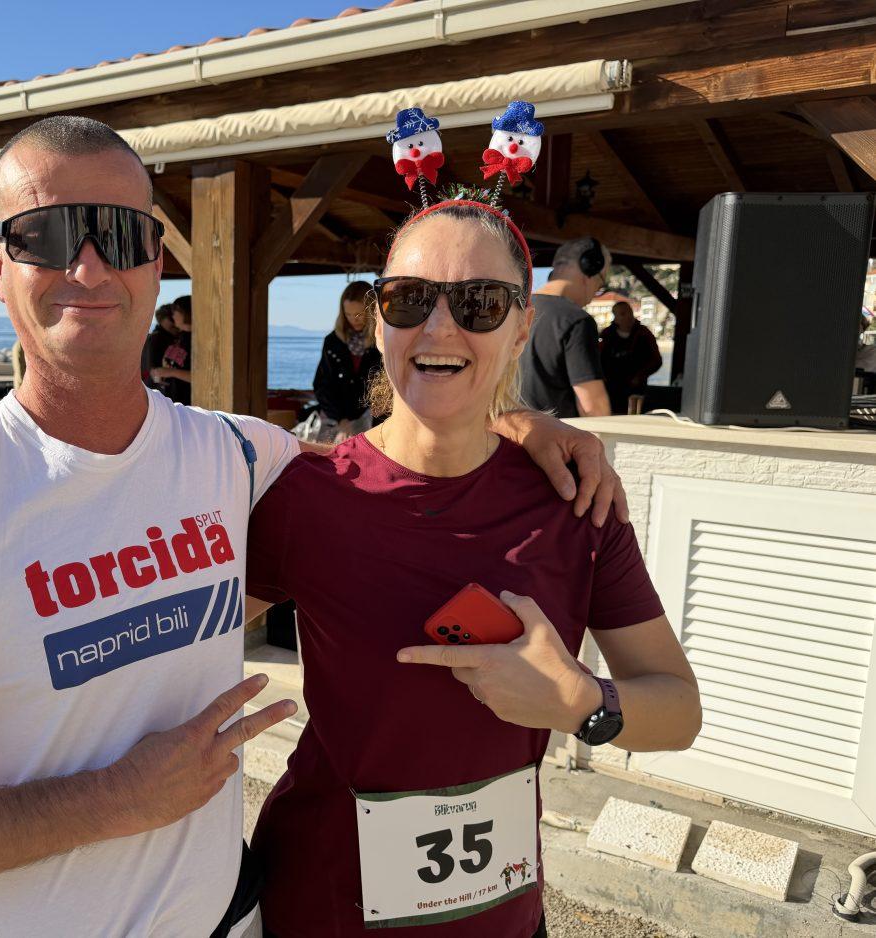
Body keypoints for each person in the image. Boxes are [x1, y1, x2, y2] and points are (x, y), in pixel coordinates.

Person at [0, 115, 628, 938]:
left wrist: (518, 422)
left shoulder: (238, 456)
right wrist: (111, 800)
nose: (88, 264)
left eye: (120, 234)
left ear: (157, 261)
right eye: (44, 235)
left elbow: (404, 456)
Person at [245, 201, 700, 937]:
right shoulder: (308, 494)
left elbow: (678, 710)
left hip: (503, 918)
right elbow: (167, 642)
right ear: (379, 321)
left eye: (480, 303)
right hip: (324, 907)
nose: (438, 328)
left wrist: (581, 703)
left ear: (522, 327)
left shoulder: (575, 501)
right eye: (408, 299)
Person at [520, 237, 613, 417]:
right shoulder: (577, 321)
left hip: (504, 431)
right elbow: (593, 407)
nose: (596, 293)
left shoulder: (514, 310)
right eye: (600, 283)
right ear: (589, 270)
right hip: (555, 432)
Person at [311, 280, 381, 442]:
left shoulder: (382, 341)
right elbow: (322, 385)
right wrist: (340, 419)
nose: (353, 319)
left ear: (372, 310)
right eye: (348, 314)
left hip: (376, 422)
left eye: (359, 314)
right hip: (336, 421)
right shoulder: (332, 342)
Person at [599, 300, 662, 415]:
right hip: (611, 390)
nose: (628, 317)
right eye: (622, 314)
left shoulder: (644, 334)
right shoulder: (606, 335)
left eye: (630, 312)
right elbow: (596, 361)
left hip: (636, 390)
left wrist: (640, 376)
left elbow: (656, 360)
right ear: (615, 318)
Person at [151, 294, 193, 404]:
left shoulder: (197, 340)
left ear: (185, 312)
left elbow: (201, 377)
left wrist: (171, 372)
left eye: (175, 311)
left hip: (189, 403)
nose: (173, 316)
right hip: (173, 400)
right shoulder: (180, 336)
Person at [141, 302, 179, 390]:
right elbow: (152, 365)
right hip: (158, 386)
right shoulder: (156, 338)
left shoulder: (173, 336)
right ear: (161, 320)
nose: (174, 322)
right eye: (171, 318)